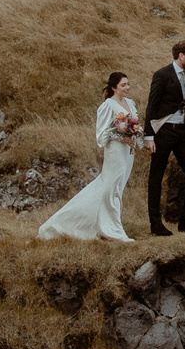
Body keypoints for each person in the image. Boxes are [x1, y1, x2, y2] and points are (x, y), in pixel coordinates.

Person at [36, 72, 141, 243]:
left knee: (117, 187)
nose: (127, 88)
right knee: (110, 186)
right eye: (123, 85)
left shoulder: (130, 103)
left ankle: (105, 223)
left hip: (127, 151)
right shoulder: (108, 105)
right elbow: (102, 134)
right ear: (114, 87)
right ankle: (112, 230)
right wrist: (122, 136)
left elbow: (134, 124)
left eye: (128, 84)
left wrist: (136, 133)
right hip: (115, 150)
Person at [144, 40, 185, 235]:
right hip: (164, 131)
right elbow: (152, 106)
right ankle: (155, 224)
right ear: (181, 56)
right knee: (156, 176)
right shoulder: (162, 74)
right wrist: (148, 135)